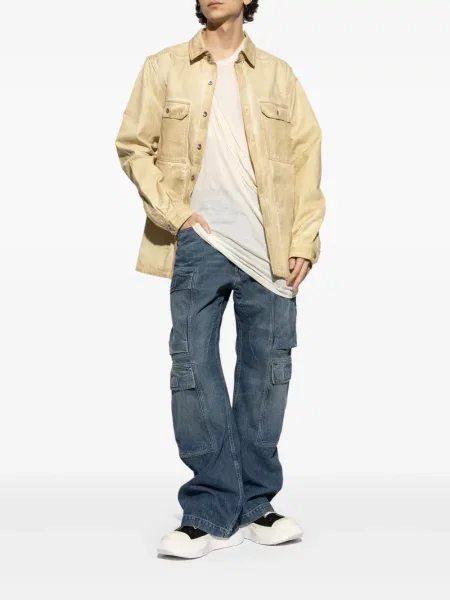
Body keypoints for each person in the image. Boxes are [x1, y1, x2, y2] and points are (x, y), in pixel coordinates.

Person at [115, 0, 326, 559]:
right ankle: (208, 509)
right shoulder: (163, 67)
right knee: (191, 369)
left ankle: (256, 505)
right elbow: (133, 147)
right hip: (198, 243)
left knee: (267, 373)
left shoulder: (279, 74)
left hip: (271, 250)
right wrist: (177, 215)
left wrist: (304, 241)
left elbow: (307, 159)